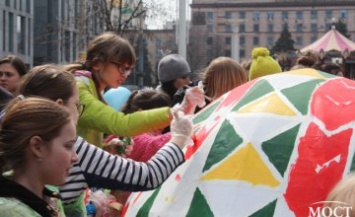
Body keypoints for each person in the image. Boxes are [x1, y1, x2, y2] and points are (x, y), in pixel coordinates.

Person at [18, 64, 195, 216]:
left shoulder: (15, 135)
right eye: (77, 105)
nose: (74, 157)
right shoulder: (72, 148)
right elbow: (147, 175)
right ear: (59, 106)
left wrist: (103, 150)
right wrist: (178, 137)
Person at [65, 32, 203, 146]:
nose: (125, 75)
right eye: (122, 68)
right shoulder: (78, 89)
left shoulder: (90, 88)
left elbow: (83, 143)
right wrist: (177, 111)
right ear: (97, 64)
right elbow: (121, 123)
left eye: (129, 69)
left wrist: (107, 149)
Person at [0, 97, 78, 216]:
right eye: (68, 146)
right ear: (37, 147)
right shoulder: (12, 212)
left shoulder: (50, 195)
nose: (75, 157)